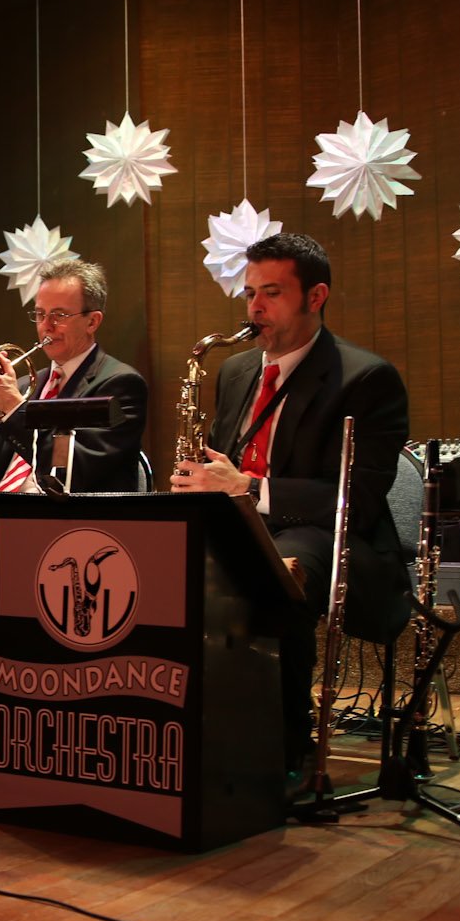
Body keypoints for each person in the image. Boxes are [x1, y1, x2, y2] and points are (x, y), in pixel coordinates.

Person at [170, 232, 412, 782]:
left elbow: (356, 498)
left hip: (333, 536)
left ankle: (280, 751)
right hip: (242, 523)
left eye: (272, 293)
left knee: (270, 573)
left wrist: (248, 487)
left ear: (316, 296)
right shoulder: (235, 372)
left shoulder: (366, 378)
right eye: (249, 293)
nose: (254, 308)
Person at [0, 258, 148, 753]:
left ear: (92, 321)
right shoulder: (32, 383)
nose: (45, 327)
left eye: (59, 315)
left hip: (71, 518)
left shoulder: (119, 383)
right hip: (2, 508)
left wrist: (15, 409)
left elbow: (83, 467)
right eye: (39, 314)